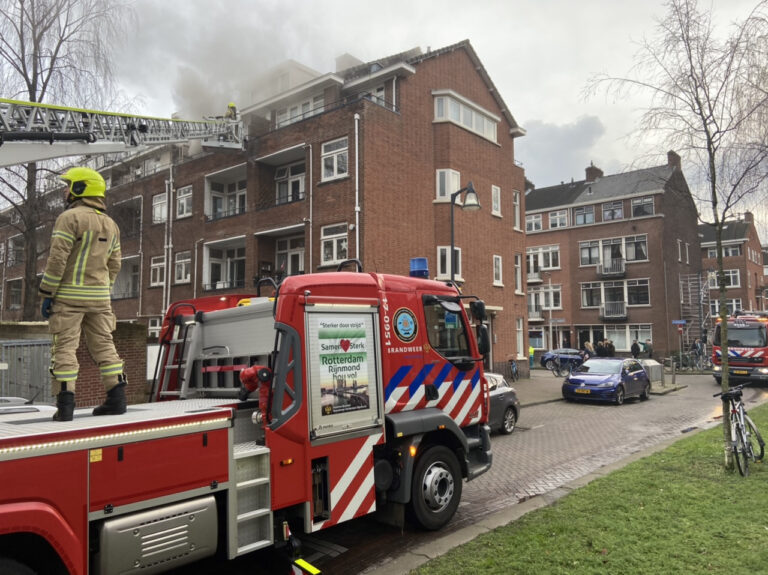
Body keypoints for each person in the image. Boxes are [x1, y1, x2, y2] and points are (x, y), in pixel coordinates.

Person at [40, 167, 127, 422]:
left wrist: (47, 292)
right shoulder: (112, 224)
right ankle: (117, 399)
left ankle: (65, 406)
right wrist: (103, 289)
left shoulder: (69, 218)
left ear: (81, 188)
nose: (65, 190)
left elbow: (57, 259)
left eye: (69, 185)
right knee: (105, 346)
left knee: (65, 348)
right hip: (100, 299)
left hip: (68, 297)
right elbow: (115, 264)